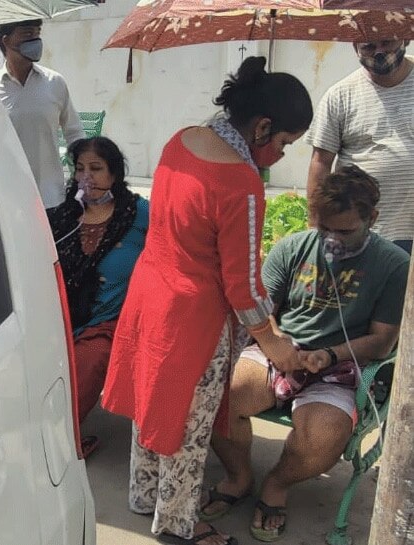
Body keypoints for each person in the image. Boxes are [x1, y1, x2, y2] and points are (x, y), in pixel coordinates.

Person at [101, 57, 315, 545]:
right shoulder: (241, 182)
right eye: (283, 143)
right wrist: (276, 345)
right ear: (262, 127)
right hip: (193, 319)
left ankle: (145, 495)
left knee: (153, 405)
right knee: (187, 422)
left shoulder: (183, 140)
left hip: (151, 295)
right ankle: (180, 522)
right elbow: (242, 287)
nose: (281, 155)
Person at [203, 165, 408, 542]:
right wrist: (277, 343)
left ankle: (277, 485)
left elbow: (382, 341)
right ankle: (239, 476)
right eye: (324, 228)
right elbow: (260, 308)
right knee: (219, 399)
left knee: (322, 440)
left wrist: (330, 355)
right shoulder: (294, 247)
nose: (332, 240)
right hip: (283, 349)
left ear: (372, 218)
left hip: (342, 364)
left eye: (345, 231)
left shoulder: (394, 265)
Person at [47, 137, 148, 455]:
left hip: (108, 321)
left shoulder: (137, 214)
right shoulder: (63, 218)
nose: (86, 178)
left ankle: (60, 443)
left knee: (87, 363)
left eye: (96, 169)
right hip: (60, 316)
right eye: (79, 169)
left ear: (114, 175)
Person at [306, 39, 414, 253]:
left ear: (405, 37)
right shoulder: (340, 96)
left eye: (387, 42)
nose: (379, 52)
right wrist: (315, 226)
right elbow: (320, 163)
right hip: (364, 237)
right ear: (355, 47)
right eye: (369, 47)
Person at [0, 19, 84, 209]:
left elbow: (74, 133)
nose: (35, 40)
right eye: (27, 34)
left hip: (51, 197)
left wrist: (83, 171)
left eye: (37, 33)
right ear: (6, 41)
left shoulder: (54, 82)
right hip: (8, 200)